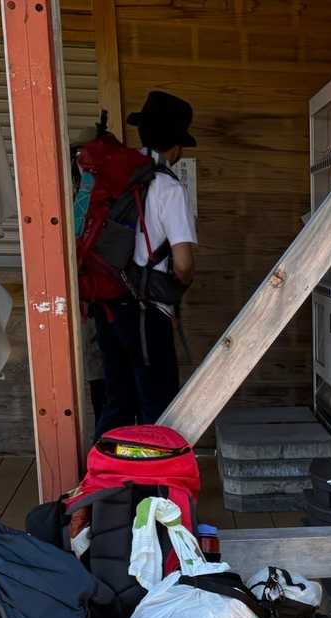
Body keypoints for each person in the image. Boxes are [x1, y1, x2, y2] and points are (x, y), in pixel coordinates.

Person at [93, 91, 198, 437]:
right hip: (146, 311)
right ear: (177, 148)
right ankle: (156, 470)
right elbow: (183, 263)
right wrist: (179, 287)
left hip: (106, 303)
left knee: (118, 399)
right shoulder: (168, 187)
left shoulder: (113, 178)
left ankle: (105, 469)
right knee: (157, 403)